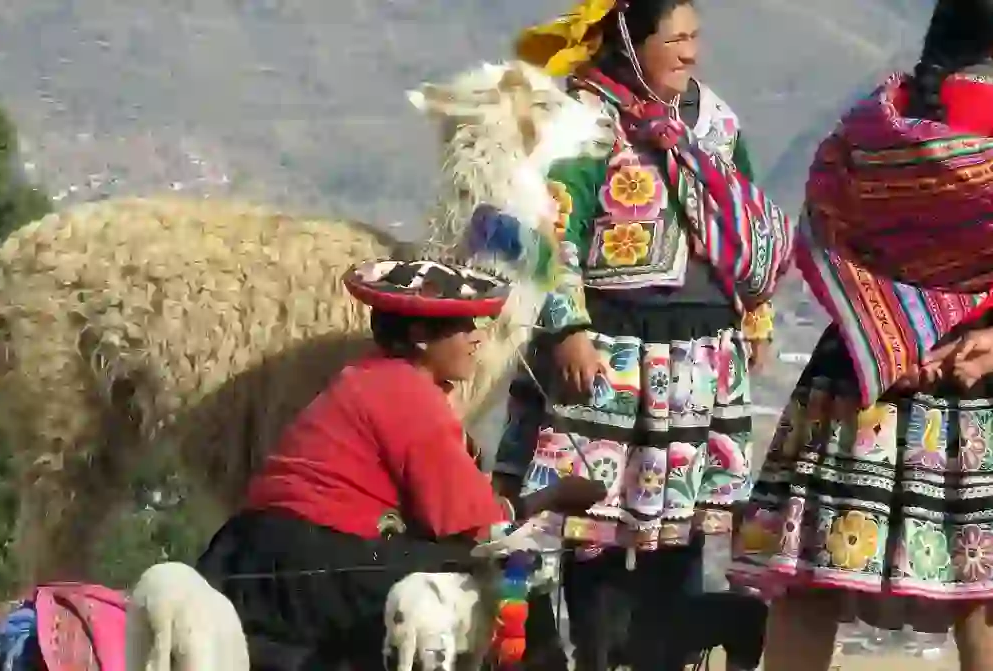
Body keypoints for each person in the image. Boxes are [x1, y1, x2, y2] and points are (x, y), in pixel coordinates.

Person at [736, 1, 993, 670]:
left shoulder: (864, 135)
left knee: (812, 579)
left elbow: (821, 244)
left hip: (862, 378)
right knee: (987, 587)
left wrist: (885, 335)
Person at [497, 0, 790, 668]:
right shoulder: (583, 124)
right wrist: (566, 326)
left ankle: (674, 649)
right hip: (608, 353)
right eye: (677, 38)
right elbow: (547, 232)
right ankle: (597, 653)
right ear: (631, 41)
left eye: (696, 38)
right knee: (594, 524)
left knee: (675, 528)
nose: (691, 53)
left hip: (700, 358)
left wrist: (756, 312)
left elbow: (743, 226)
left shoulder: (716, 123)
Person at [195, 258, 606, 670]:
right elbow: (476, 526)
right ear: (421, 336)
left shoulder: (368, 376)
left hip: (250, 557)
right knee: (515, 572)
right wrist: (552, 497)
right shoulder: (408, 395)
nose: (477, 339)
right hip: (317, 562)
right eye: (462, 327)